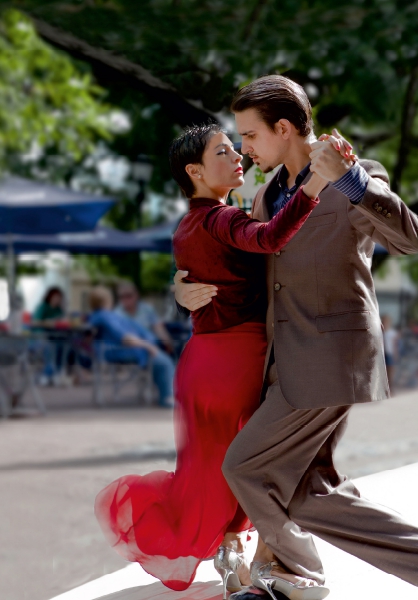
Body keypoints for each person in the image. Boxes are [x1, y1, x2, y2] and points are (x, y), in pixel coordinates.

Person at [176, 75, 418, 600]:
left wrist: (348, 180)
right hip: (284, 362)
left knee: (245, 465)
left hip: (331, 356)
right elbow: (243, 273)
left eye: (251, 136)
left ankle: (300, 576)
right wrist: (181, 290)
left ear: (284, 128)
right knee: (309, 497)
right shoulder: (266, 197)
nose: (245, 149)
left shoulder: (357, 174)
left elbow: (411, 237)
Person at [94, 123, 332, 598]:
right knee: (260, 459)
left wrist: (179, 292)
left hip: (202, 361)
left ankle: (229, 552)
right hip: (236, 358)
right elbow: (267, 240)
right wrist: (314, 189)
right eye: (223, 151)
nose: (237, 155)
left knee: (213, 465)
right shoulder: (220, 220)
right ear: (196, 171)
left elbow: (208, 273)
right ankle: (266, 563)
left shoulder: (187, 227)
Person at [87, 285, 176, 408]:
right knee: (162, 362)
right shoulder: (108, 316)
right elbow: (124, 337)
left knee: (162, 359)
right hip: (122, 351)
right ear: (108, 300)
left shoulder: (101, 316)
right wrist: (148, 346)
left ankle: (167, 394)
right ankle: (167, 397)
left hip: (122, 349)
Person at [115, 281, 174, 354]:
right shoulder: (116, 314)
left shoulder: (147, 309)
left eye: (129, 296)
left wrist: (167, 342)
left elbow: (158, 327)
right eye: (122, 297)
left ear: (136, 295)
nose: (126, 300)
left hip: (151, 347)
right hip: (128, 350)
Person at [382, 314, 399, 393]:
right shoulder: (380, 332)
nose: (385, 323)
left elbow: (395, 345)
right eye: (384, 321)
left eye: (387, 321)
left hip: (390, 354)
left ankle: (391, 389)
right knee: (383, 372)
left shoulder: (392, 333)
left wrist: (396, 354)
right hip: (382, 354)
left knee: (390, 372)